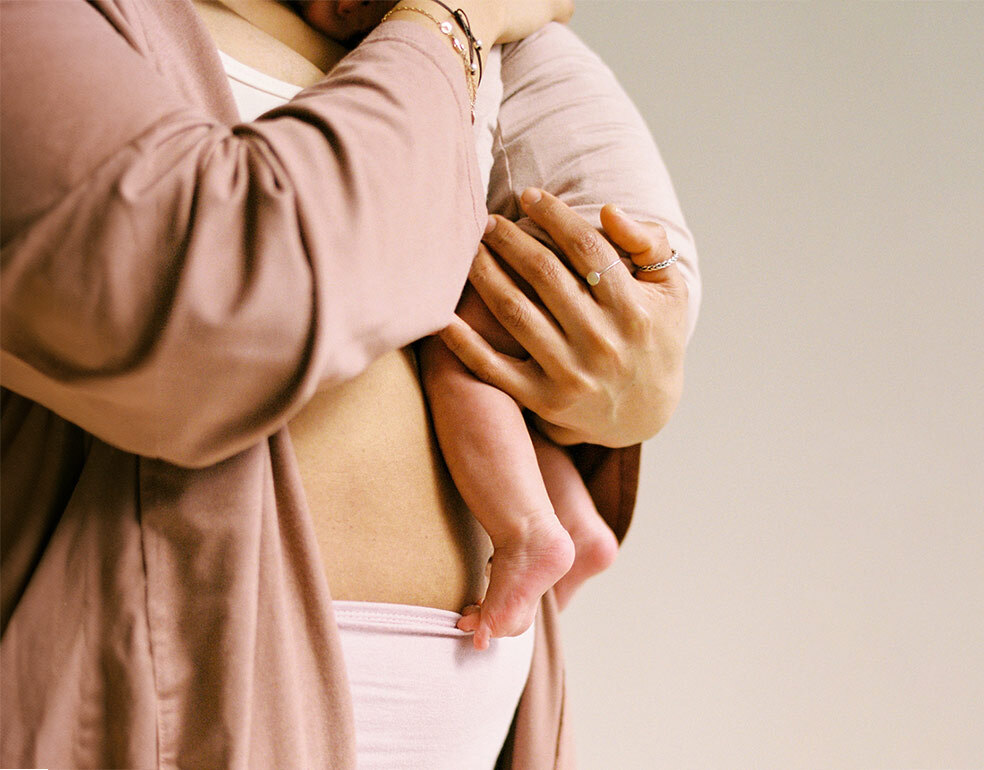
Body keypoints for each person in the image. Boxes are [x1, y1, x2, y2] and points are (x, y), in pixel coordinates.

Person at [1, 1, 698, 768]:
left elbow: (587, 283)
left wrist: (626, 393)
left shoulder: (479, 41)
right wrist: (456, 17)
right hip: (166, 716)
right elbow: (211, 305)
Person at [296, 0, 662, 650]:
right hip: (633, 248)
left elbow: (435, 173)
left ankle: (527, 531)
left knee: (460, 352)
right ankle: (576, 523)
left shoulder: (470, 35)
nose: (325, 13)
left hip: (582, 244)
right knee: (509, 383)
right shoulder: (538, 40)